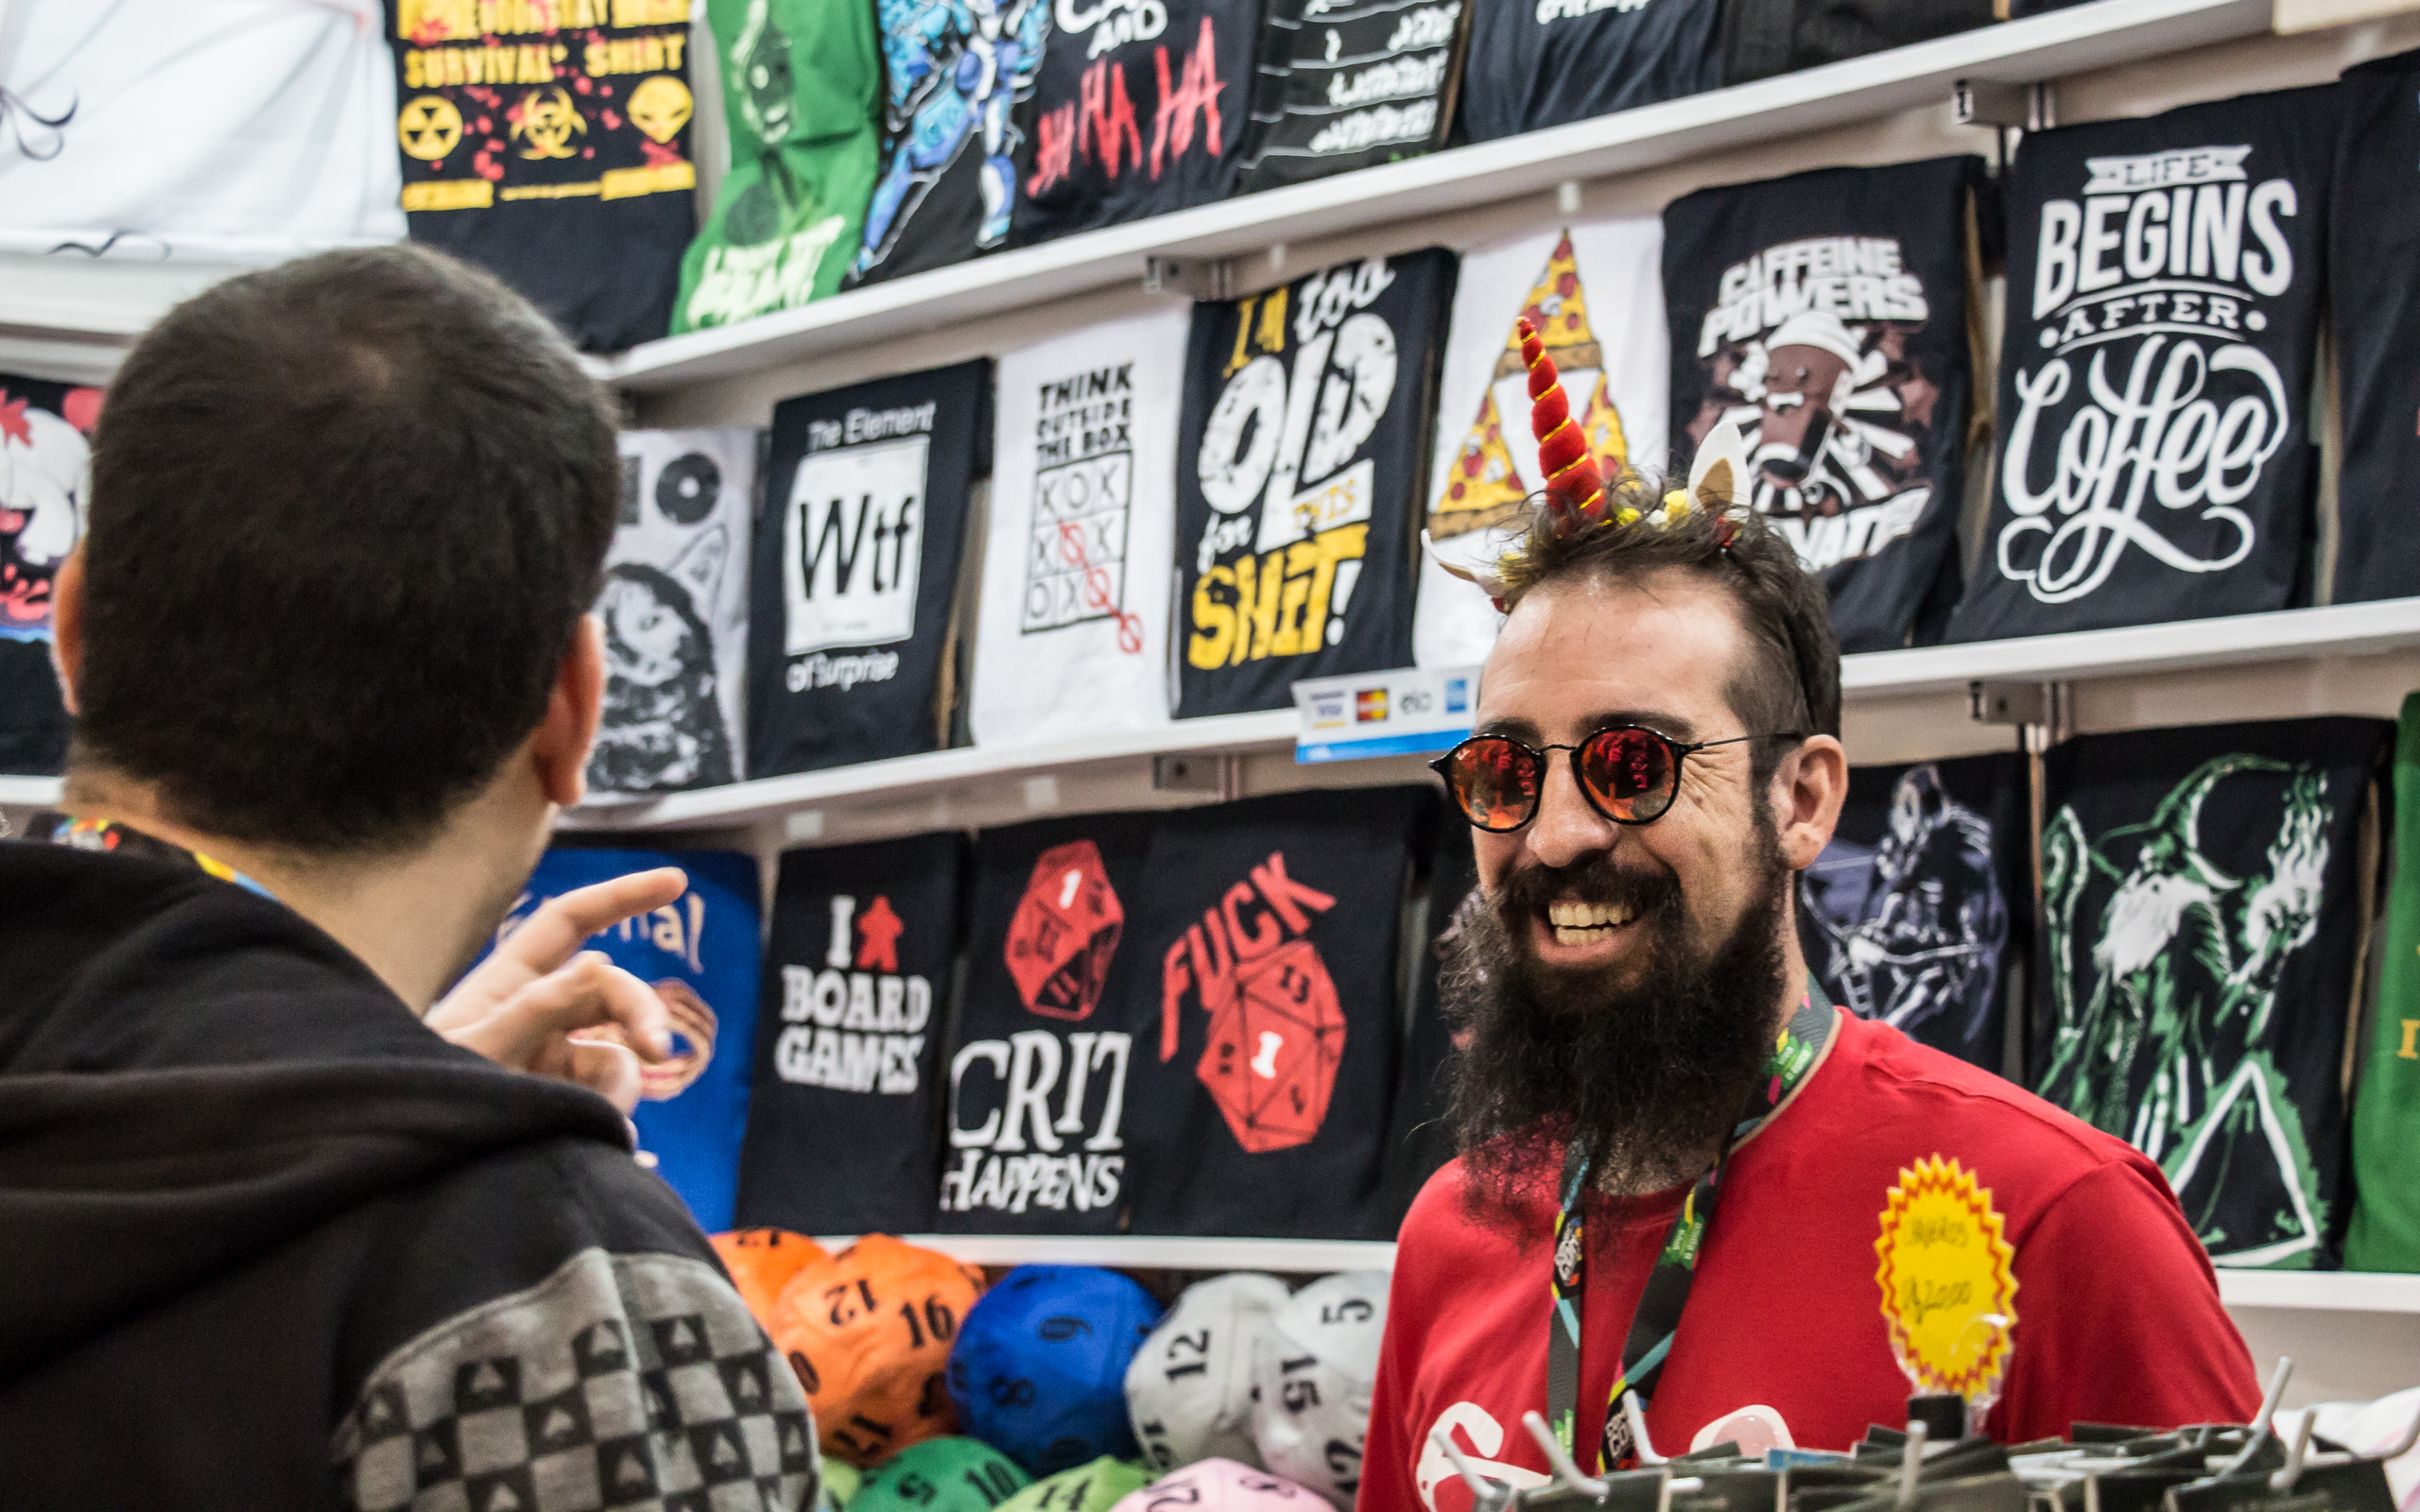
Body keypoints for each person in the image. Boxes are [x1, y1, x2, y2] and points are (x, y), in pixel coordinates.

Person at [1362, 336, 2258, 1509]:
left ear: (1802, 798)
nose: (1557, 833)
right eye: (1502, 771)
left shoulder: (2058, 1221)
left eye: (1633, 762)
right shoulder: (1453, 1232)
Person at [0, 247, 821, 1510]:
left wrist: (382, 1098)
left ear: (72, 632)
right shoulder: (549, 1294)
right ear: (572, 706)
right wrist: (435, 1165)